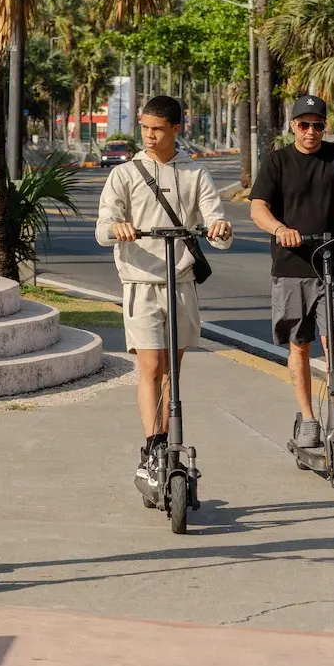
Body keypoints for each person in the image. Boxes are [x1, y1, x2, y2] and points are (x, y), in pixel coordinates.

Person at [95, 95, 233, 482]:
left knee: (172, 369)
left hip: (181, 282)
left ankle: (171, 448)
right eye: (145, 128)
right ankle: (153, 446)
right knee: (152, 366)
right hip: (141, 282)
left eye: (157, 129)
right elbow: (103, 227)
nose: (150, 135)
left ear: (175, 129)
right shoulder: (125, 174)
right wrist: (117, 227)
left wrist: (220, 228)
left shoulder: (195, 173)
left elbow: (216, 224)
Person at [249, 95, 334, 448]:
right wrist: (280, 229)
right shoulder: (278, 161)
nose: (311, 131)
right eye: (304, 125)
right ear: (293, 126)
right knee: (300, 345)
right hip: (291, 266)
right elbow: (258, 208)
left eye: (318, 125)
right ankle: (308, 418)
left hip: (333, 263)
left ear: (325, 127)